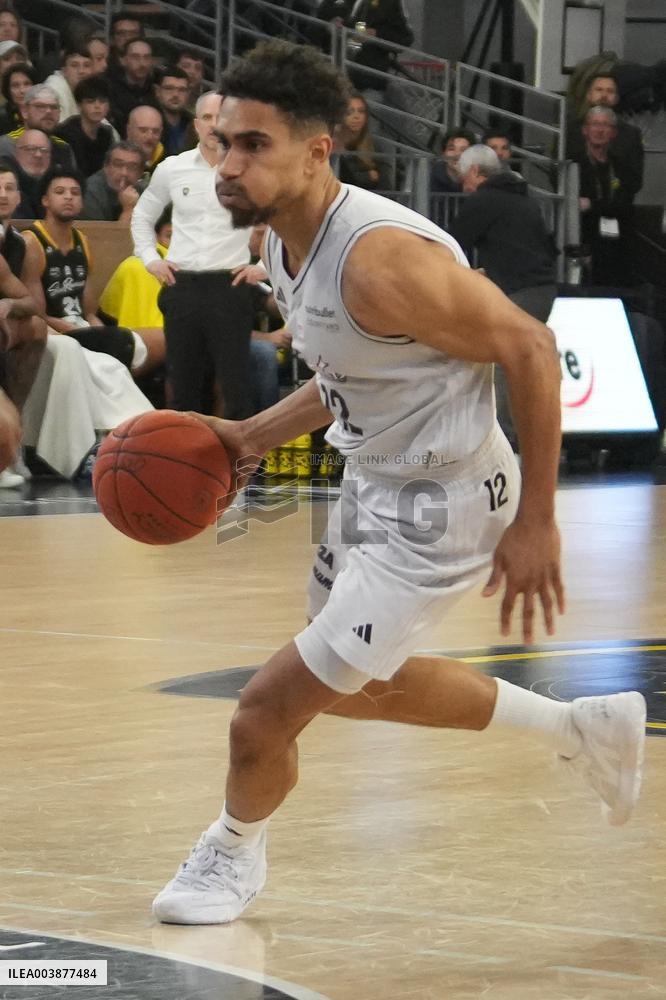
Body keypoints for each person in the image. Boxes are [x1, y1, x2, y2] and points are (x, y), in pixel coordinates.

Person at [151, 40, 646, 928]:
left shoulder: (380, 260)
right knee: (358, 685)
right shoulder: (281, 242)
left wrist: (538, 519)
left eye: (254, 145)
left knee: (263, 712)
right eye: (224, 141)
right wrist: (251, 435)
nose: (227, 165)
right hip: (374, 489)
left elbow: (532, 347)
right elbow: (353, 372)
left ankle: (230, 852)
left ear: (316, 152)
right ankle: (583, 730)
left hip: (443, 510)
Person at [131, 90, 254, 416]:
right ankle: (185, 448)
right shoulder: (173, 167)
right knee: (182, 382)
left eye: (221, 117)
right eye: (207, 118)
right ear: (196, 124)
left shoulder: (250, 168)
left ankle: (237, 450)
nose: (214, 125)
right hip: (182, 282)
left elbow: (282, 218)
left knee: (235, 385)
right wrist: (150, 259)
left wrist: (265, 267)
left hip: (231, 283)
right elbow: (142, 216)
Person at [451, 144, 558, 445]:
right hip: (543, 289)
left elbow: (451, 243)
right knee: (522, 363)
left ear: (475, 172)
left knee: (503, 363)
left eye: (464, 178)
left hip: (518, 291)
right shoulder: (524, 199)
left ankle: (504, 440)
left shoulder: (484, 200)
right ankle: (529, 437)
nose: (464, 187)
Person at [24, 167, 150, 373]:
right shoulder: (32, 242)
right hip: (52, 334)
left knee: (134, 348)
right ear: (45, 200)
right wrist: (82, 332)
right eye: (60, 192)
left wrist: (104, 334)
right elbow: (38, 315)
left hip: (81, 327)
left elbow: (89, 312)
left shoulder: (82, 241)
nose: (68, 197)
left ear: (82, 201)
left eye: (75, 193)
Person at [0, 159, 46, 487]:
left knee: (38, 329)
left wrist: (8, 304)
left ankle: (12, 445)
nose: (2, 194)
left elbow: (33, 304)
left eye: (9, 188)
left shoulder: (21, 244)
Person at [576, 106, 635, 286]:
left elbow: (624, 205)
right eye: (595, 124)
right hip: (584, 239)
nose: (600, 130)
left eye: (605, 125)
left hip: (616, 244)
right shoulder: (574, 164)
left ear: (613, 133)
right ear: (585, 130)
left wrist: (592, 205)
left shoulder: (621, 166)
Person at [566, 73, 644, 199]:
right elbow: (558, 171)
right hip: (575, 204)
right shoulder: (570, 130)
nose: (604, 95)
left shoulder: (631, 134)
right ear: (588, 95)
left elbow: (635, 180)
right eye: (599, 90)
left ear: (616, 98)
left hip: (617, 205)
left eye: (610, 91)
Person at [0, 84, 77, 170]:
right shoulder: (5, 145)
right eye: (40, 106)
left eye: (54, 107)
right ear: (24, 111)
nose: (48, 111)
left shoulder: (64, 148)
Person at [54, 75, 116, 178]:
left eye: (102, 101)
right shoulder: (64, 134)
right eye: (90, 101)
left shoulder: (106, 134)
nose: (97, 106)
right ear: (79, 105)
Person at [337, 91, 390, 190]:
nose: (356, 116)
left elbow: (386, 185)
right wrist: (367, 176)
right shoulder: (331, 145)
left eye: (361, 111)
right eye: (349, 112)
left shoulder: (376, 146)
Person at [81, 140, 143, 221]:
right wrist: (128, 210)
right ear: (106, 167)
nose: (124, 173)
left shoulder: (144, 192)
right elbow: (97, 229)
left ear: (140, 172)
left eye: (132, 167)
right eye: (118, 165)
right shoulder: (90, 193)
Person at [107, 37, 156, 137]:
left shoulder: (156, 91)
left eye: (146, 57)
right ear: (123, 60)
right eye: (135, 57)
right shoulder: (109, 89)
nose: (142, 63)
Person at [154, 66, 197, 157]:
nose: (175, 94)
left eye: (182, 90)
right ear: (157, 91)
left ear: (188, 93)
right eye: (169, 88)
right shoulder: (147, 122)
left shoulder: (195, 126)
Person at [44, 46, 94, 123]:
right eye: (74, 65)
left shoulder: (89, 88)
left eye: (86, 65)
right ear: (64, 70)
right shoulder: (53, 89)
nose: (81, 71)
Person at [13, 128, 52, 218]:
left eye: (44, 150)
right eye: (31, 149)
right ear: (16, 153)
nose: (38, 155)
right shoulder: (7, 185)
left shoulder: (55, 187)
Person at [430, 127, 475, 193]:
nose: (457, 154)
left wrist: (465, 179)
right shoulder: (431, 175)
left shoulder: (479, 176)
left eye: (463, 150)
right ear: (444, 154)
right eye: (451, 149)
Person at [126, 104, 164, 177]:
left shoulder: (168, 163)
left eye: (155, 131)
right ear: (129, 130)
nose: (150, 137)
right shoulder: (115, 162)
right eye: (143, 131)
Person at [0, 62, 37, 134]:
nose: (22, 90)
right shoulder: (2, 118)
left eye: (27, 84)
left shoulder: (44, 111)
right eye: (15, 85)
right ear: (8, 90)